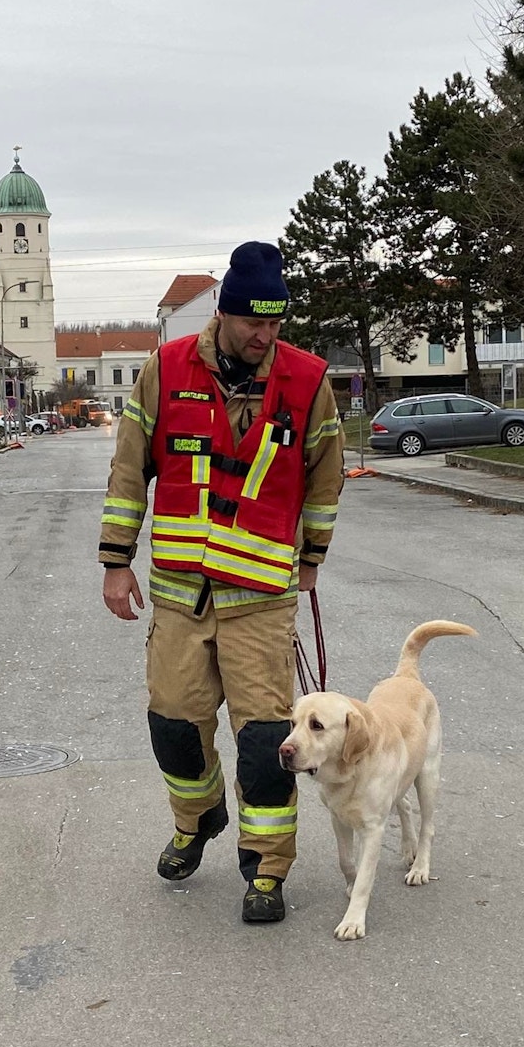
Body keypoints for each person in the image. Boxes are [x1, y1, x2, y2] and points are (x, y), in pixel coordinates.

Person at [100, 241, 345, 924]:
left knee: (270, 744)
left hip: (261, 601)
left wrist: (312, 556)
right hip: (180, 595)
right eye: (253, 324)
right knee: (173, 728)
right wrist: (116, 562)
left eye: (276, 324)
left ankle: (266, 868)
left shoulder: (306, 380)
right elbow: (128, 472)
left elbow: (326, 475)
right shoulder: (166, 369)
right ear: (226, 315)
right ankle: (199, 816)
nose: (265, 338)